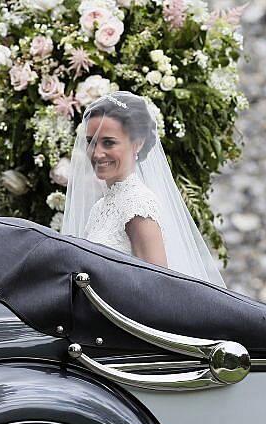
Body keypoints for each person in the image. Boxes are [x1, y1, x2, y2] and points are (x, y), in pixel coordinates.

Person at [61, 91, 225, 287]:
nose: (97, 153)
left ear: (137, 144)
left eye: (109, 142)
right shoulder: (100, 207)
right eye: (91, 142)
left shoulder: (137, 205)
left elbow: (156, 288)